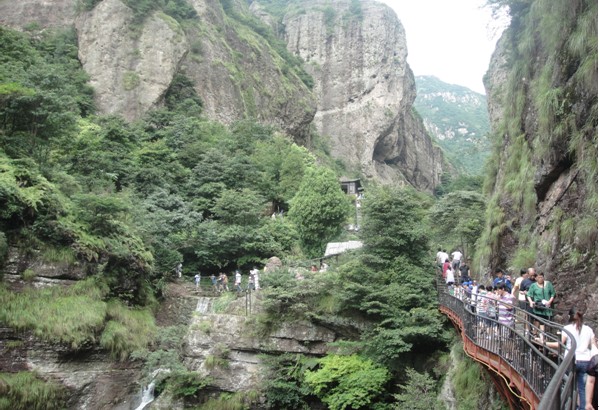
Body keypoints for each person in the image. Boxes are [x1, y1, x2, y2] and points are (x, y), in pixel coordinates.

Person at [545, 307, 597, 410]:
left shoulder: (567, 328)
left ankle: (566, 406)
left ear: (569, 316)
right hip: (586, 361)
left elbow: (559, 344)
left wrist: (544, 342)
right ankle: (581, 408)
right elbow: (594, 346)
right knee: (582, 387)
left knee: (568, 385)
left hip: (571, 361)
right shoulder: (588, 329)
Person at [527, 272, 556, 340]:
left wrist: (549, 302)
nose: (540, 279)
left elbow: (553, 294)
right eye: (539, 277)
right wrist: (531, 302)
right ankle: (541, 335)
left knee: (543, 320)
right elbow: (529, 295)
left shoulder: (548, 284)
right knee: (539, 320)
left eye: (541, 277)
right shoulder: (533, 285)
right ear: (536, 278)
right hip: (538, 306)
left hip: (547, 306)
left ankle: (537, 333)